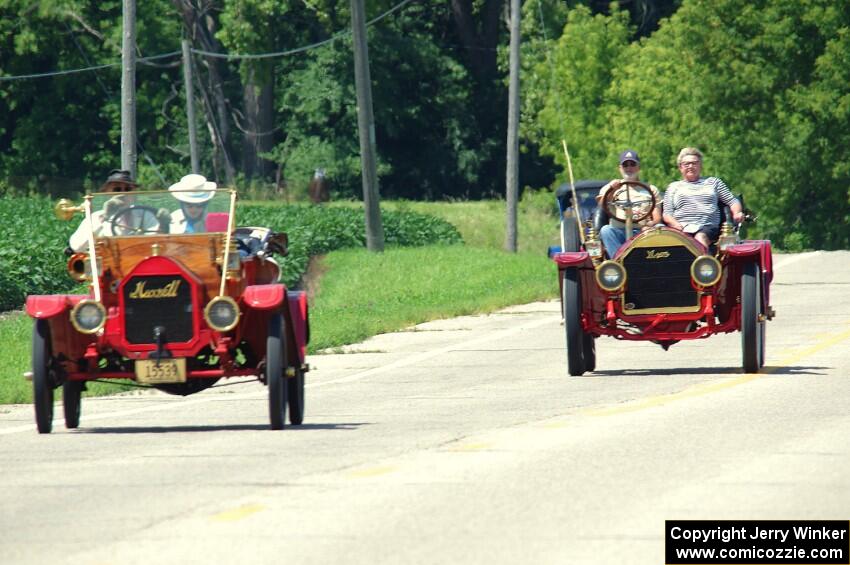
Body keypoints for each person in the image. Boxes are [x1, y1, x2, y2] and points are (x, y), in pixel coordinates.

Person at [663, 147, 744, 248]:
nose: (690, 166)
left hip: (707, 227)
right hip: (681, 228)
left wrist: (737, 213)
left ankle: (705, 263)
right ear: (680, 167)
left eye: (694, 163)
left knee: (700, 238)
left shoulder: (714, 182)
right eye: (686, 164)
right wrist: (676, 225)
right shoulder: (673, 187)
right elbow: (667, 214)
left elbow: (733, 201)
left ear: (700, 166)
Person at [68, 169, 158, 252]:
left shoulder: (145, 215)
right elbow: (77, 247)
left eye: (128, 189)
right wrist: (104, 218)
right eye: (117, 189)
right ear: (107, 193)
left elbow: (158, 241)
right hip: (108, 266)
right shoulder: (96, 218)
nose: (123, 193)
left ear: (133, 193)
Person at [595, 149, 662, 257]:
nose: (629, 168)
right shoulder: (612, 186)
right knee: (606, 230)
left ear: (638, 167)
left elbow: (657, 217)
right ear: (620, 168)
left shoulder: (651, 189)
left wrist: (650, 225)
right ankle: (619, 263)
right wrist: (612, 189)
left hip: (642, 231)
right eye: (625, 165)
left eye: (632, 164)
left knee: (659, 229)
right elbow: (601, 205)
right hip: (618, 230)